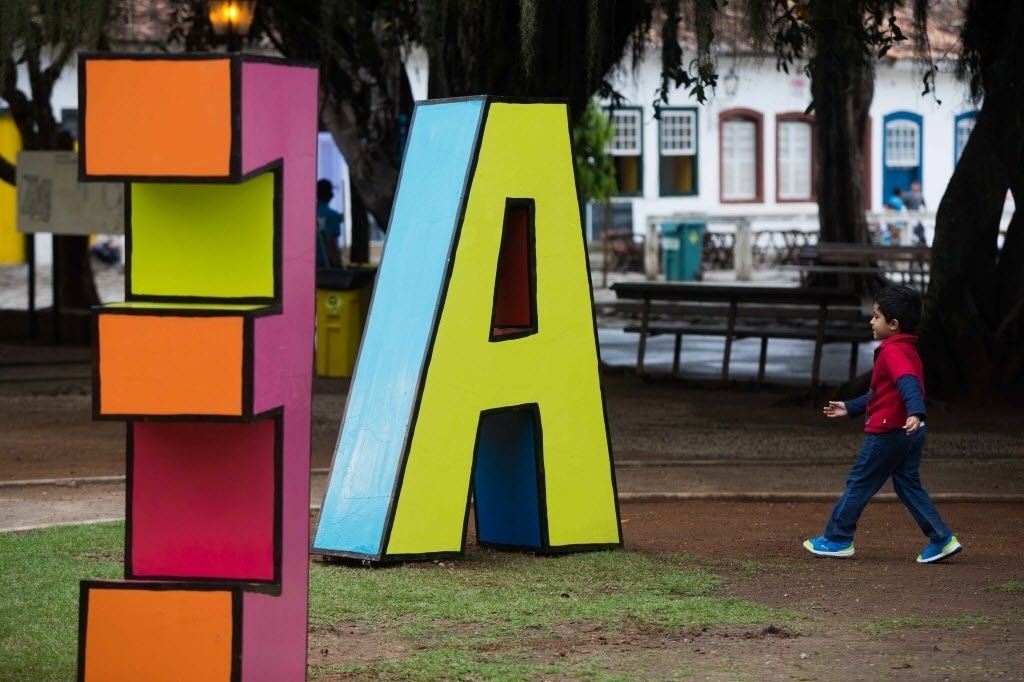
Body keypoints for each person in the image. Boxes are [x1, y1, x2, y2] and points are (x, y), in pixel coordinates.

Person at [803, 285, 961, 564]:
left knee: (859, 482)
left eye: (876, 316)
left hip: (889, 434)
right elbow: (882, 393)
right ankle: (942, 538)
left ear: (893, 324)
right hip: (911, 433)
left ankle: (838, 538)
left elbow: (908, 385)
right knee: (908, 486)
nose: (871, 321)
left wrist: (916, 411)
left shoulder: (893, 353)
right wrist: (850, 407)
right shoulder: (907, 350)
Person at [316, 178, 343, 268]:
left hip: (308, 265)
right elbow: (331, 241)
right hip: (326, 266)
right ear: (330, 194)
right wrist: (338, 264)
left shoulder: (307, 214)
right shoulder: (332, 215)